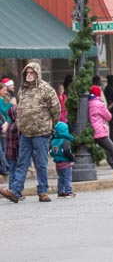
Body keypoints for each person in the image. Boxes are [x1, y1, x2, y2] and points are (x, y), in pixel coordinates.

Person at [0, 62, 60, 203]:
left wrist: (51, 124)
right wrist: (20, 124)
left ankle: (43, 191)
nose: (29, 75)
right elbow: (19, 107)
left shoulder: (46, 89)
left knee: (41, 163)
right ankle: (15, 191)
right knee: (22, 162)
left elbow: (56, 108)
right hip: (26, 132)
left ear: (37, 73)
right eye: (27, 73)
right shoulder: (23, 89)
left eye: (32, 73)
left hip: (41, 132)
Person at [50, 121, 75, 198]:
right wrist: (72, 159)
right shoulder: (65, 140)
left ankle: (60, 192)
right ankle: (68, 191)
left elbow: (51, 152)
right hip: (65, 162)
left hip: (58, 163)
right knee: (67, 177)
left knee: (60, 178)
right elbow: (67, 151)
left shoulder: (54, 141)